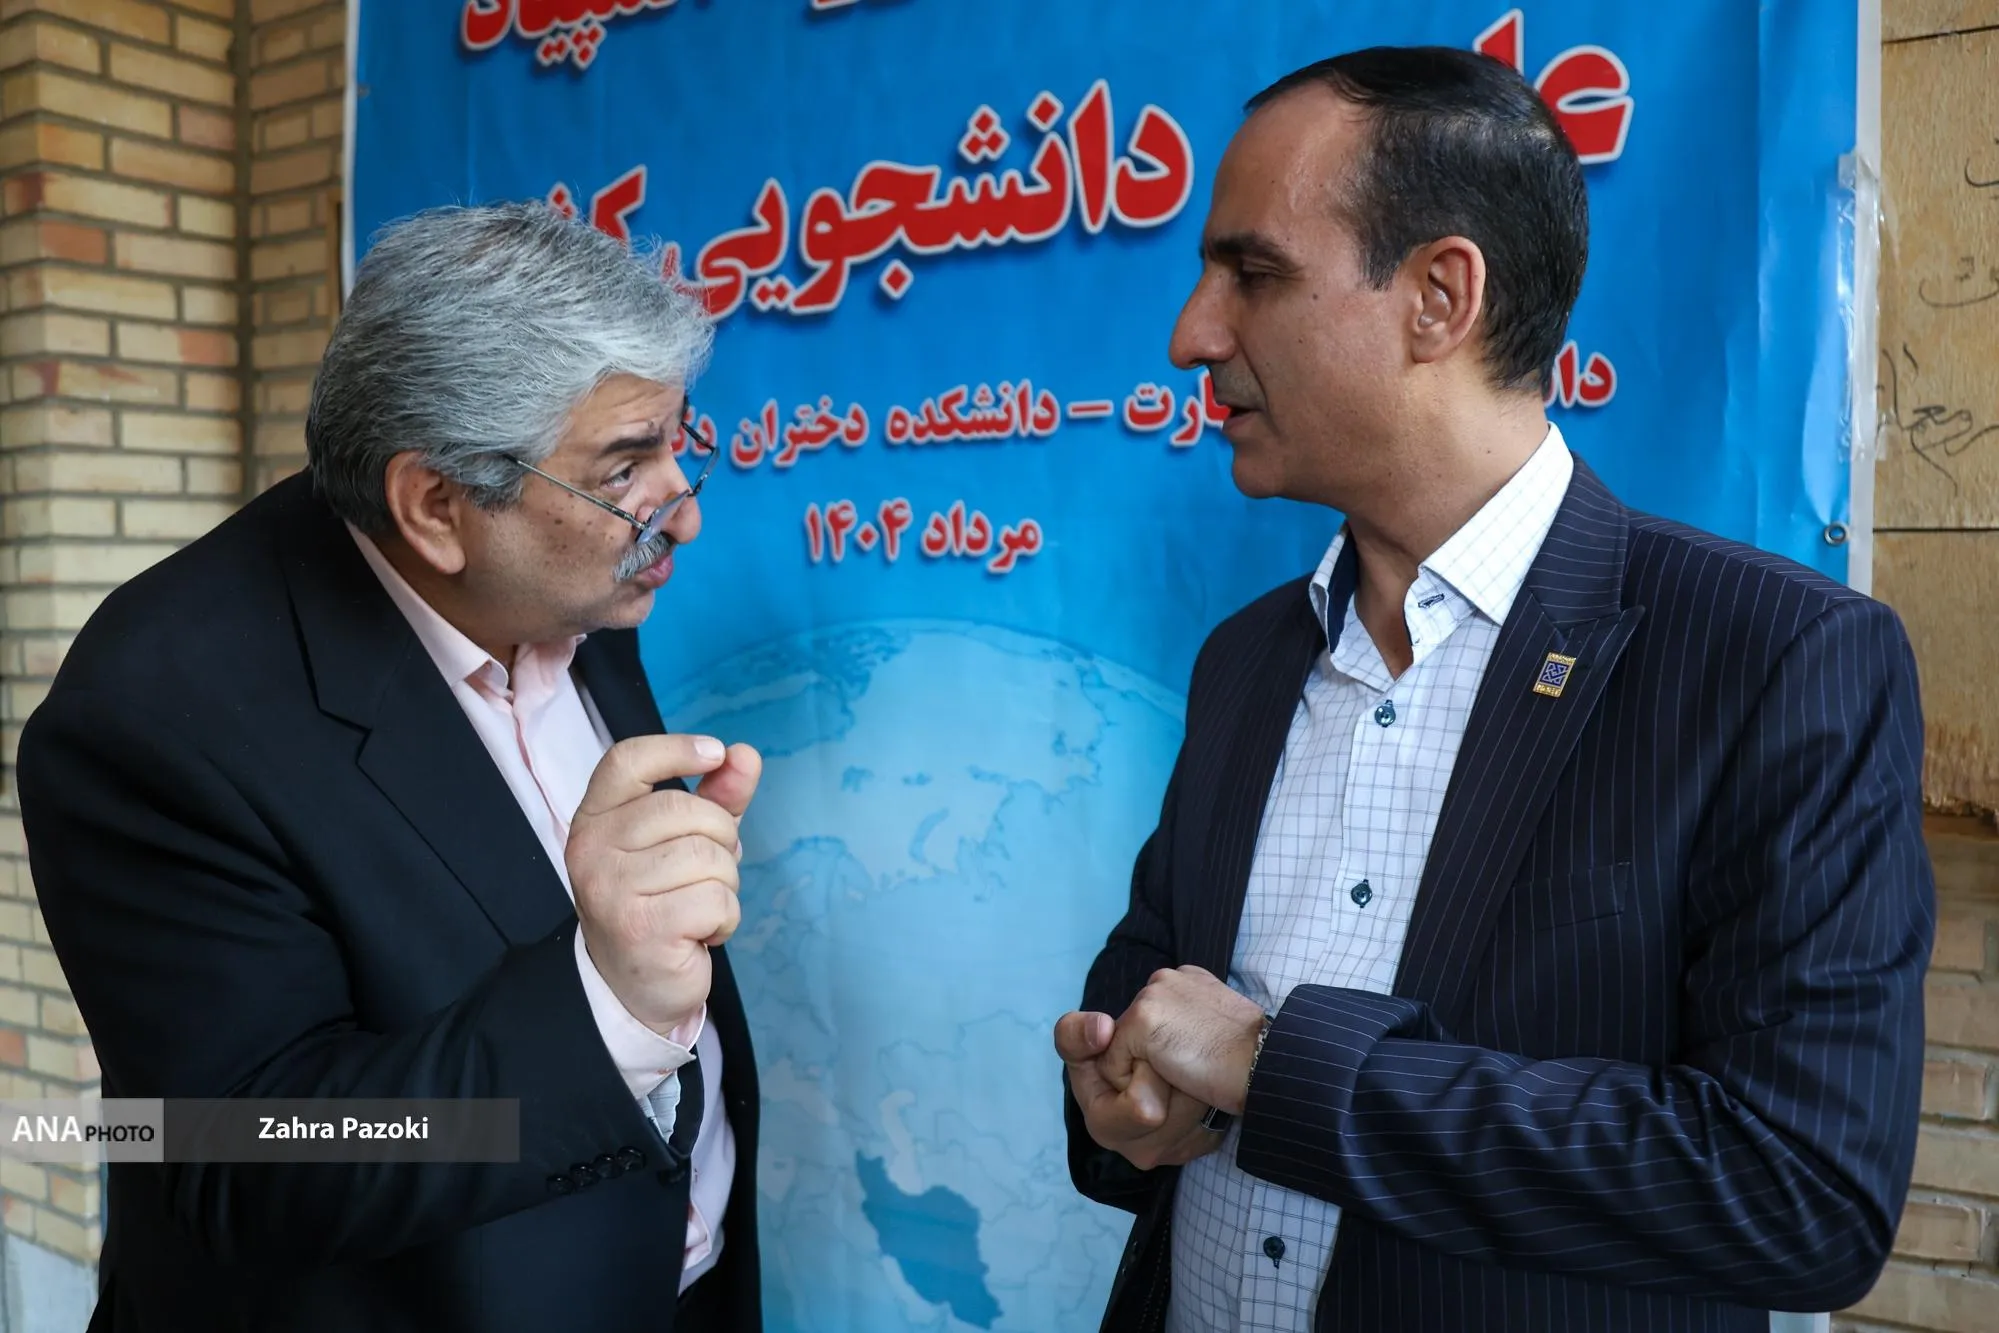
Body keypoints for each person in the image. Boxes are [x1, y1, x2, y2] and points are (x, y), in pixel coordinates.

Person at [1056, 46, 1933, 1333]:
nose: (1194, 334)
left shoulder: (1774, 660)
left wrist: (1267, 1065)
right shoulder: (1244, 660)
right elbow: (1148, 982)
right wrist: (1118, 1092)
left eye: (1253, 274)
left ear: (1439, 296)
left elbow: (1799, 1193)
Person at [19, 202, 763, 1332]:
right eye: (624, 467)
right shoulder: (154, 714)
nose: (683, 515)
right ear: (435, 506)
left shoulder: (566, 576)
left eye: (676, 442)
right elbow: (236, 1152)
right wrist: (603, 1008)